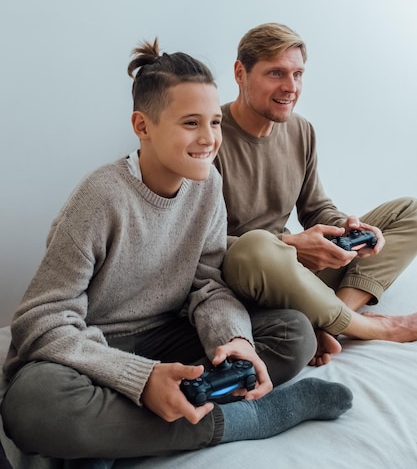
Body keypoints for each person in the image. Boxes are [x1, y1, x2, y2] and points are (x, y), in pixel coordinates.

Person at [1, 39, 353, 466]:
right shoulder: (100, 197)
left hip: (167, 337)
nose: (209, 139)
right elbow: (41, 319)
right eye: (191, 123)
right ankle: (249, 419)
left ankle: (109, 434)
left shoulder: (207, 187)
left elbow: (208, 285)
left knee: (293, 334)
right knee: (34, 405)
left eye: (215, 122)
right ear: (142, 126)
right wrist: (140, 379)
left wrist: (235, 341)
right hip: (91, 350)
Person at [215, 22, 417, 367]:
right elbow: (199, 245)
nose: (290, 87)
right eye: (276, 73)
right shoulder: (208, 137)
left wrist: (346, 227)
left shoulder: (300, 130)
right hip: (245, 273)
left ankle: (332, 318)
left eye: (298, 74)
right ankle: (368, 326)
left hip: (294, 268)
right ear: (240, 73)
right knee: (258, 246)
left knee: (409, 210)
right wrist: (291, 246)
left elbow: (316, 207)